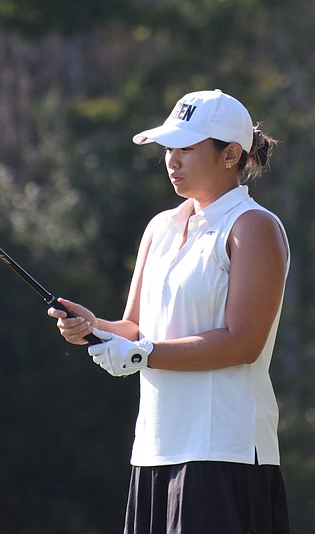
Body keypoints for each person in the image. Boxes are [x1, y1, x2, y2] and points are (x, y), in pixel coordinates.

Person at [49, 89, 291, 534]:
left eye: (186, 148)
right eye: (167, 148)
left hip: (225, 455)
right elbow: (135, 327)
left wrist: (141, 353)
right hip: (154, 450)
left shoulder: (253, 226)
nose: (171, 160)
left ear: (230, 155)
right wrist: (93, 327)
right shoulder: (160, 227)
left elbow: (243, 342)